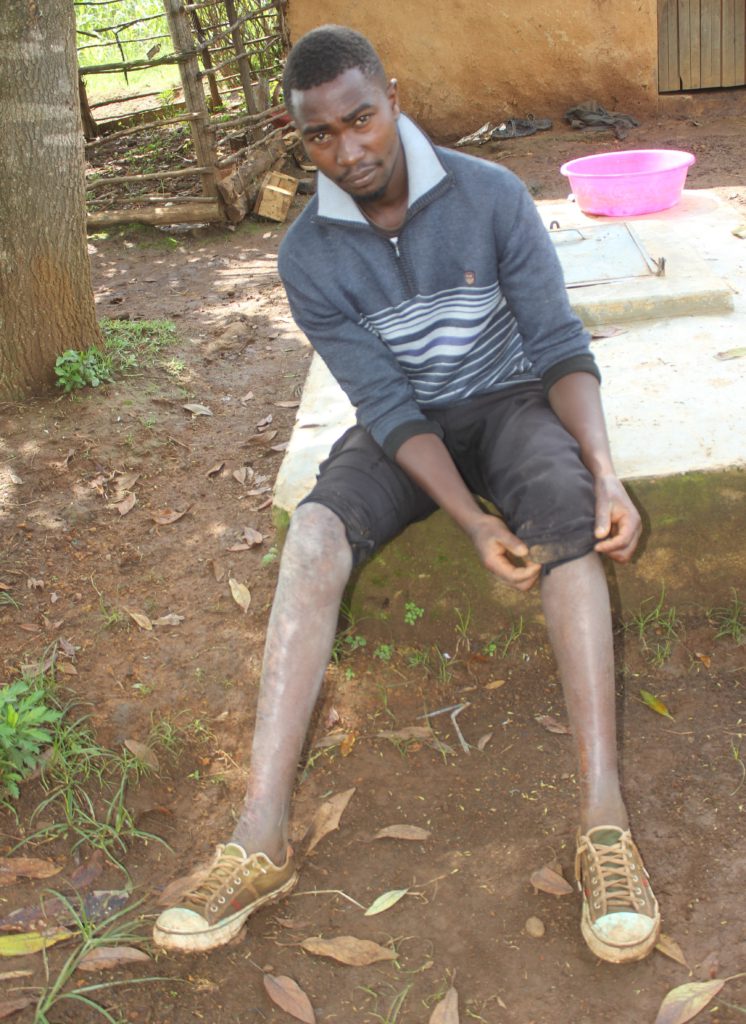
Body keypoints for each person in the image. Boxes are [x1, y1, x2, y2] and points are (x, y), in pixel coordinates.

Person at [153, 24, 660, 964]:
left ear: (393, 96)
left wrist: (603, 471)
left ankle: (604, 826)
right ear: (294, 133)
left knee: (569, 529)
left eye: (363, 120)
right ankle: (259, 837)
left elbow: (556, 348)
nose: (350, 151)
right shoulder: (308, 256)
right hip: (407, 429)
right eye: (322, 136)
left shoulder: (492, 194)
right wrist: (468, 520)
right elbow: (386, 404)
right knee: (312, 535)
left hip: (510, 402)